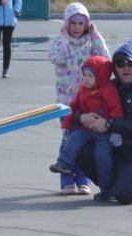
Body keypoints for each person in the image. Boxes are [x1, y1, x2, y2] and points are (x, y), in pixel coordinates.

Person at [72, 39, 132, 205]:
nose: (125, 68)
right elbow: (78, 105)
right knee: (80, 149)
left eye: (130, 63)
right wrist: (81, 117)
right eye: (120, 63)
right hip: (114, 146)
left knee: (125, 194)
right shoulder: (110, 87)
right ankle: (109, 187)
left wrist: (108, 124)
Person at [48, 2, 109, 195]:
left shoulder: (90, 43)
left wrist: (95, 35)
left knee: (84, 141)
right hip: (66, 103)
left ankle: (83, 179)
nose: (76, 27)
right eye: (72, 23)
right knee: (68, 140)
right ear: (66, 24)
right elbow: (56, 58)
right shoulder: (62, 42)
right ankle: (66, 179)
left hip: (88, 103)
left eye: (80, 23)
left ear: (87, 25)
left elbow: (105, 59)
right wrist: (64, 38)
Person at [50, 56, 122, 202]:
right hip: (86, 129)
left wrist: (115, 130)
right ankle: (64, 163)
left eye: (90, 76)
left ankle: (106, 190)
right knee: (74, 139)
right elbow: (74, 107)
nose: (86, 79)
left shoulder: (108, 90)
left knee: (102, 158)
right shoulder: (83, 90)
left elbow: (116, 110)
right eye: (84, 75)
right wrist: (68, 125)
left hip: (103, 133)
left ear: (100, 77)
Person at [0, 0, 22, 79]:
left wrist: (16, 11)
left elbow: (18, 1)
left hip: (9, 20)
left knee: (7, 45)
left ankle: (5, 70)